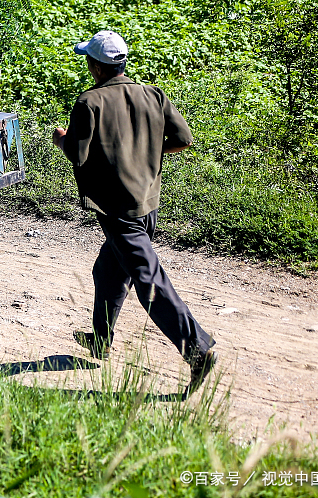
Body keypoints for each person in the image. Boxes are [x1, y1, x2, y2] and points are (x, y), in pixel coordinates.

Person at [52, 30, 217, 395]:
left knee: (148, 280)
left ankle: (197, 349)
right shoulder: (153, 95)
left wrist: (61, 138)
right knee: (108, 270)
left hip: (117, 210)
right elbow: (183, 140)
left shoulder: (89, 103)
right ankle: (100, 341)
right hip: (148, 203)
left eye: (88, 61)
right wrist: (148, 156)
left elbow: (77, 155)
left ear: (95, 66)